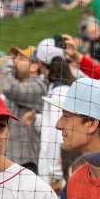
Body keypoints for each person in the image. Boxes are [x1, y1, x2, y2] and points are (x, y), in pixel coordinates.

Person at [0, 46, 46, 173]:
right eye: (15, 58)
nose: (15, 61)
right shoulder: (17, 87)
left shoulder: (39, 86)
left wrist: (6, 63)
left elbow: (9, 88)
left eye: (20, 58)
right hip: (8, 162)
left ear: (34, 66)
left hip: (26, 163)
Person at [36, 56, 76, 192]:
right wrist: (36, 119)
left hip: (58, 168)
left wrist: (56, 175)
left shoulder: (58, 92)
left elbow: (57, 133)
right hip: (66, 163)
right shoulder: (67, 89)